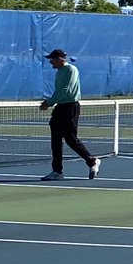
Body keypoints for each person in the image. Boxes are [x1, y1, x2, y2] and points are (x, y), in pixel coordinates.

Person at [39, 49, 101, 181]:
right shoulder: (59, 73)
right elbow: (58, 92)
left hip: (70, 107)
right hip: (60, 108)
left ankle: (92, 161)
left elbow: (66, 92)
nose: (50, 62)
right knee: (55, 140)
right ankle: (57, 171)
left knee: (70, 138)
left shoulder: (71, 70)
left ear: (60, 59)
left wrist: (49, 102)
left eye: (52, 59)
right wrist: (50, 102)